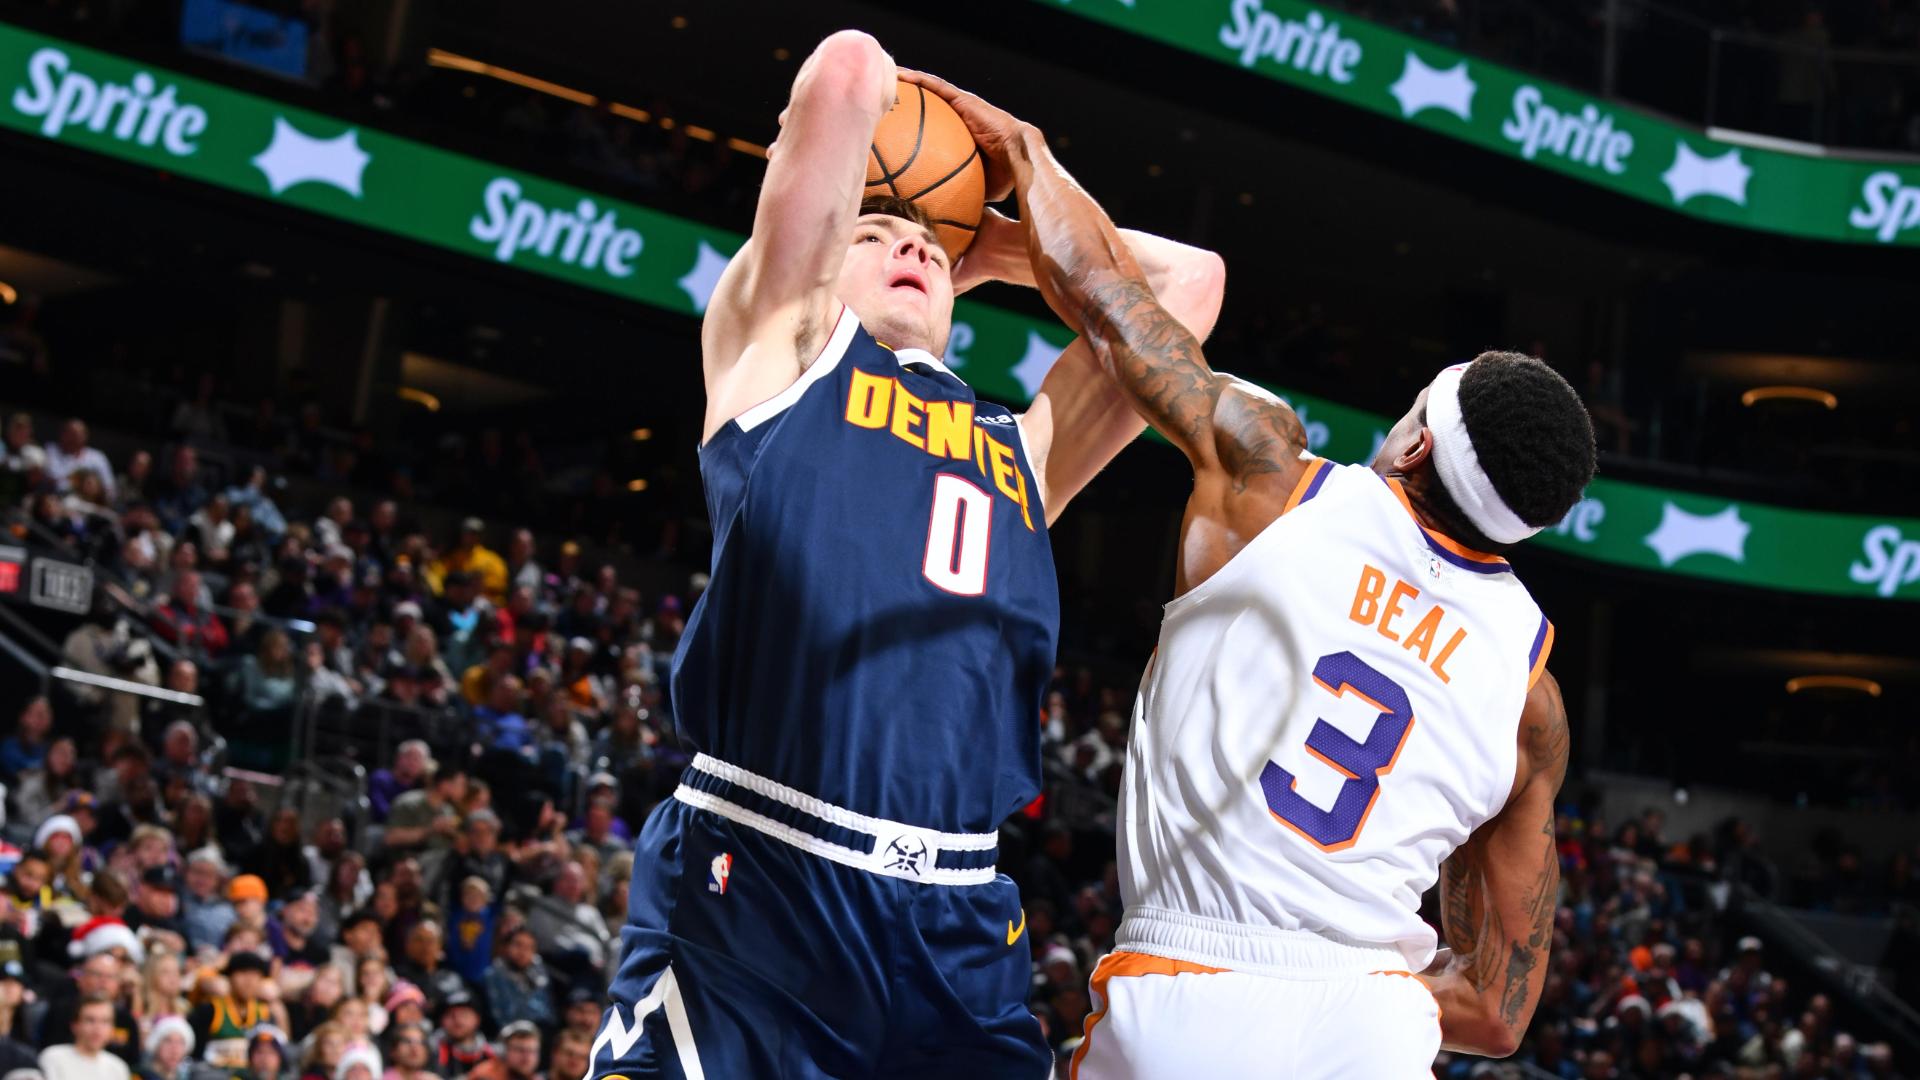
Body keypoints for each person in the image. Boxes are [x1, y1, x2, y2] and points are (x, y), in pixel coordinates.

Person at [906, 69, 1591, 1073]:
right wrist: (1347, 982)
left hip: (1194, 985)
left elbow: (1110, 304)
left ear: (1412, 448)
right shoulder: (1532, 703)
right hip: (1374, 1032)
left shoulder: (1276, 478)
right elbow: (1495, 1013)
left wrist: (1029, 153)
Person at [592, 32, 1223, 1080]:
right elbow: (848, 70)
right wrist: (905, 208)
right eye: (881, 228)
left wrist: (1002, 218)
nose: (917, 247)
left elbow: (1187, 287)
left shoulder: (1023, 449)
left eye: (931, 246)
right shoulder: (783, 350)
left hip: (958, 914)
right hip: (763, 872)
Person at [38, 996, 129, 1080]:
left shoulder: (118, 1068)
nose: (98, 1027)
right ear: (75, 1025)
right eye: (90, 1020)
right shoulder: (53, 1058)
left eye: (105, 1021)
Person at [479, 932, 552, 1037]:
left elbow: (547, 1012)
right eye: (518, 945)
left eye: (529, 947)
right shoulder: (492, 975)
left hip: (537, 1034)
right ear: (506, 947)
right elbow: (498, 1015)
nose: (523, 952)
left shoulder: (540, 975)